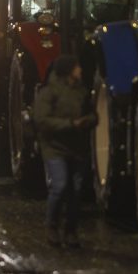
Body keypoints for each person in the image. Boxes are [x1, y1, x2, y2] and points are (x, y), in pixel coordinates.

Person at [33, 54, 97, 248]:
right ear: (68, 70)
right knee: (60, 186)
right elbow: (42, 120)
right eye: (77, 67)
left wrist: (90, 121)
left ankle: (70, 231)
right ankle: (52, 227)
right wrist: (70, 124)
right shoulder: (49, 92)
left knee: (75, 191)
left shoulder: (81, 90)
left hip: (77, 148)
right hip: (55, 148)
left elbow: (93, 114)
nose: (81, 70)